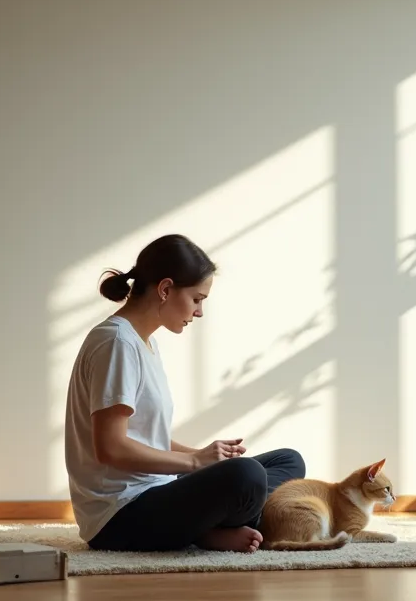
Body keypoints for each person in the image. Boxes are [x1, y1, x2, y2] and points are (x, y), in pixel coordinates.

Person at [63, 233, 306, 553]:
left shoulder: (143, 342)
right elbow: (110, 448)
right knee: (246, 476)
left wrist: (204, 457)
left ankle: (204, 528)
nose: (200, 311)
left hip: (155, 491)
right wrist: (193, 462)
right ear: (165, 289)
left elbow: (146, 437)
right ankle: (207, 530)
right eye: (197, 299)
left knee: (288, 462)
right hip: (120, 515)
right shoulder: (117, 343)